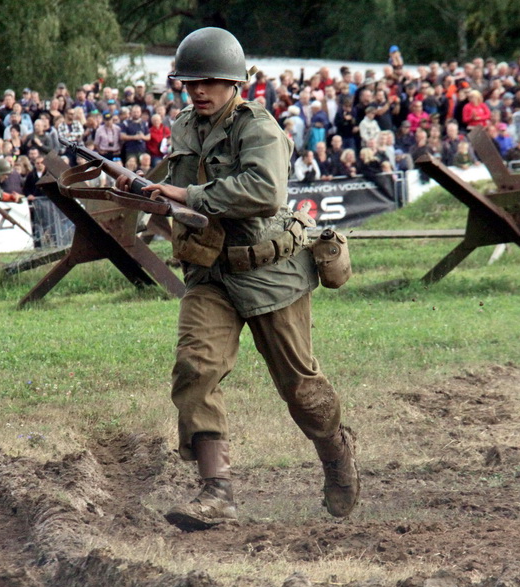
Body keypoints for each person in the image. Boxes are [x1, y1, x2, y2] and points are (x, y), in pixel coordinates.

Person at [115, 27, 359, 531]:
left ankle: (336, 455)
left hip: (271, 275)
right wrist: (142, 186)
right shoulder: (186, 127)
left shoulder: (260, 129)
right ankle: (217, 492)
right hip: (210, 273)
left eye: (209, 81)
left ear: (234, 82)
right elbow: (175, 184)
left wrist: (188, 197)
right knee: (194, 370)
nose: (198, 91)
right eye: (189, 83)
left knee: (301, 390)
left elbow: (264, 192)